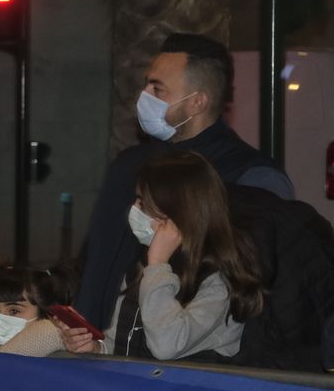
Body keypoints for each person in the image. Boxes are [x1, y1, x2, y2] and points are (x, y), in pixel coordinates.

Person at [77, 33, 290, 332]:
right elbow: (96, 259)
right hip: (103, 347)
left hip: (181, 356)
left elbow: (252, 284)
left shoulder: (251, 177)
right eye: (147, 84)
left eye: (157, 89)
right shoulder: (129, 165)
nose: (145, 96)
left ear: (197, 102)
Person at [58, 150, 264, 361]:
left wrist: (157, 264)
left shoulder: (217, 283)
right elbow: (122, 343)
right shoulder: (143, 265)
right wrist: (95, 348)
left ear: (178, 217)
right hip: (136, 384)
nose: (134, 210)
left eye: (143, 205)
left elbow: (166, 346)